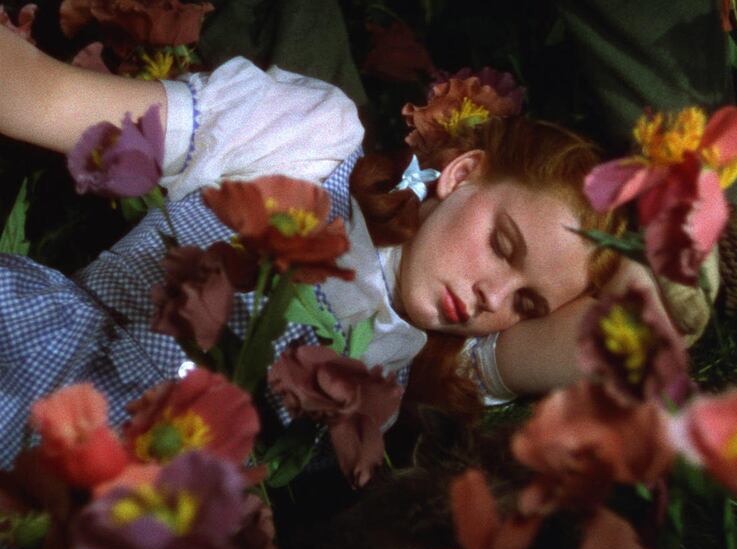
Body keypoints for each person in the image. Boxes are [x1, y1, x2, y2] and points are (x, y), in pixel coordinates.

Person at [0, 22, 679, 467]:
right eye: (503, 246)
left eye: (526, 304)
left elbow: (632, 336)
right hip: (27, 358)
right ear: (461, 174)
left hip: (107, 527)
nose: (491, 297)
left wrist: (647, 243)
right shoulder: (312, 144)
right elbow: (47, 96)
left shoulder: (428, 360)